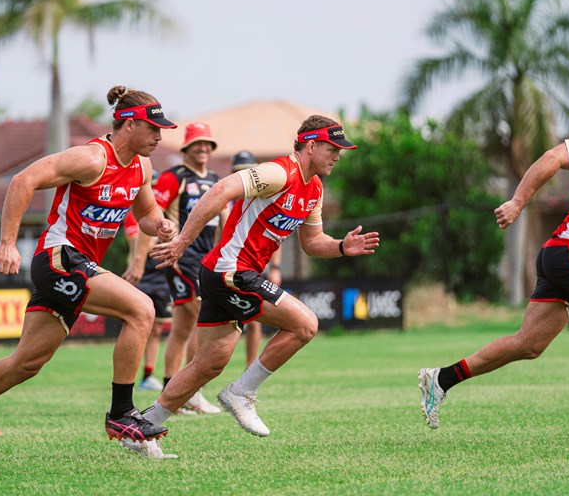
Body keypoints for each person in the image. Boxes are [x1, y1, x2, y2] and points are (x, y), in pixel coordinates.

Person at [0, 85, 178, 468]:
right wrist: (6, 243)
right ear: (129, 124)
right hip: (58, 257)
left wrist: (163, 227)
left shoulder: (142, 167)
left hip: (78, 267)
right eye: (153, 128)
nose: (159, 136)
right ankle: (121, 413)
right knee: (141, 309)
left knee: (25, 363)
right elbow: (23, 180)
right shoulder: (90, 158)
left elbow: (148, 214)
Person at [121, 115, 380, 458]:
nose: (338, 155)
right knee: (305, 324)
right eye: (333, 148)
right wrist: (183, 241)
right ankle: (241, 393)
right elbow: (220, 189)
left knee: (208, 365)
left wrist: (342, 247)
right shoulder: (278, 172)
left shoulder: (314, 188)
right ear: (312, 145)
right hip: (232, 271)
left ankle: (141, 430)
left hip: (225, 274)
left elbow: (313, 242)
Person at [419, 135, 569, 433]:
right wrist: (518, 203)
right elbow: (553, 156)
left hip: (565, 256)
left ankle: (441, 379)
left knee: (528, 345)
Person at [152, 122, 224, 414]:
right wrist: (164, 234)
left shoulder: (217, 179)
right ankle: (190, 391)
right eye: (198, 143)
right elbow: (154, 209)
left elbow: (225, 216)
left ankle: (174, 389)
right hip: (183, 256)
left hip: (207, 257)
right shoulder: (173, 177)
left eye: (207, 143)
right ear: (186, 147)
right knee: (203, 319)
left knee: (182, 327)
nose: (203, 148)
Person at [230, 151, 284, 368]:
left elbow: (276, 235)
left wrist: (276, 268)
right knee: (227, 325)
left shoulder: (262, 201)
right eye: (238, 171)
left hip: (252, 271)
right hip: (225, 270)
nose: (243, 174)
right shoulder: (225, 202)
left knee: (254, 320)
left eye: (248, 170)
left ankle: (249, 371)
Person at [121, 195, 172, 392]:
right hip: (138, 276)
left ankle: (148, 375)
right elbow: (137, 243)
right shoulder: (134, 216)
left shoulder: (165, 216)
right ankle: (128, 378)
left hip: (160, 276)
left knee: (158, 328)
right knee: (135, 326)